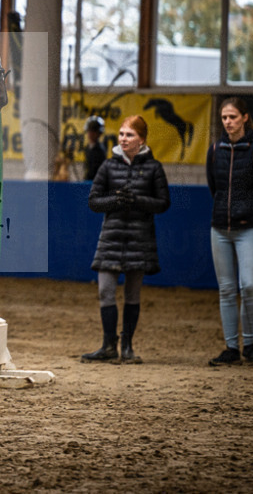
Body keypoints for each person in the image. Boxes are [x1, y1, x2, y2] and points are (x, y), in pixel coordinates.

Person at [82, 115, 170, 364]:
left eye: (129, 135)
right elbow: (93, 201)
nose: (123, 138)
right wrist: (115, 200)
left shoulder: (154, 168)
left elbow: (163, 203)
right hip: (111, 237)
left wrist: (138, 201)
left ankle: (128, 346)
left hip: (139, 239)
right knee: (105, 291)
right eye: (121, 134)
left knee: (133, 294)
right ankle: (108, 345)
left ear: (141, 139)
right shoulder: (108, 166)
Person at [205, 97, 253, 367]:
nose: (228, 122)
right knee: (226, 289)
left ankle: (250, 344)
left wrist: (250, 212)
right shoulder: (215, 150)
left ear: (244, 118)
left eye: (232, 117)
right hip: (220, 228)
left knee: (248, 286)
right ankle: (231, 348)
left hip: (249, 229)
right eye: (224, 117)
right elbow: (215, 188)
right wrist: (226, 210)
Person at [83, 116, 106, 181]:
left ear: (99, 134)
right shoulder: (88, 148)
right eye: (90, 131)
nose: (91, 134)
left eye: (94, 132)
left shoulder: (100, 150)